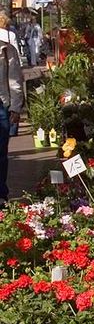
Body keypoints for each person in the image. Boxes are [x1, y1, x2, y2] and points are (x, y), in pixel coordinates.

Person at [0, 38, 23, 205]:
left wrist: (15, 107)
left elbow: (15, 80)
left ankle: (1, 194)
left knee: (1, 153)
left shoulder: (7, 50)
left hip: (1, 106)